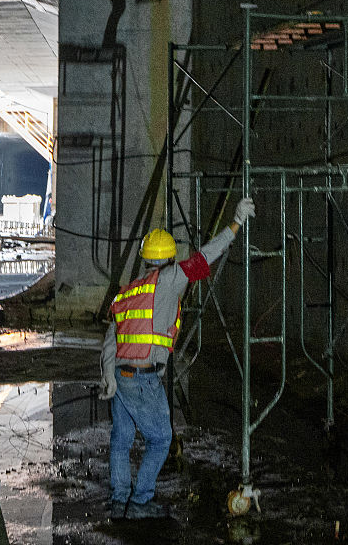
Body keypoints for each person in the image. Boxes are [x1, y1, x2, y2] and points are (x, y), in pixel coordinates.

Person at [100, 196, 256, 520]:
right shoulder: (170, 279)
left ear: (145, 260)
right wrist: (236, 223)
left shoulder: (127, 292)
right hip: (143, 379)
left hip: (122, 376)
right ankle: (141, 502)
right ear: (170, 259)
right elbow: (206, 256)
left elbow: (110, 339)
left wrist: (109, 377)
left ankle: (119, 502)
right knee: (161, 439)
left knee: (122, 440)